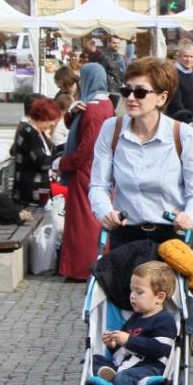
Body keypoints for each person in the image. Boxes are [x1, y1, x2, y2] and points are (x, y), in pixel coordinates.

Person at [90, 57, 193, 248]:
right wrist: (105, 211)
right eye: (126, 90)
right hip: (125, 233)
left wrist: (189, 217)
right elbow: (98, 185)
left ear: (162, 97)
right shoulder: (111, 129)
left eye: (140, 92)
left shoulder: (183, 135)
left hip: (170, 236)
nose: (130, 97)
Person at [94, 260, 179, 385]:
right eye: (131, 290)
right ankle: (108, 374)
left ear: (159, 297)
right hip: (125, 364)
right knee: (94, 358)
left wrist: (128, 340)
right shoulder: (135, 319)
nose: (132, 296)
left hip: (150, 366)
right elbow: (123, 347)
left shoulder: (164, 320)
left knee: (125, 377)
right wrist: (113, 343)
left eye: (139, 292)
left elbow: (160, 349)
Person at [56, 63, 116, 281]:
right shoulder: (106, 102)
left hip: (86, 171)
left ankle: (81, 267)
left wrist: (65, 163)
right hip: (97, 167)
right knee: (91, 218)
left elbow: (85, 146)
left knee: (82, 221)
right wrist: (71, 113)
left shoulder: (92, 108)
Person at [11, 98, 61, 206]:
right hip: (31, 192)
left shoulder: (36, 131)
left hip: (35, 190)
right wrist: (60, 159)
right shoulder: (30, 133)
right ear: (43, 117)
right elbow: (42, 163)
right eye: (51, 120)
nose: (53, 124)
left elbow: (50, 152)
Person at [166, 42, 193, 121]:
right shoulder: (173, 75)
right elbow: (175, 104)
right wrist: (188, 122)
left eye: (191, 56)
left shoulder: (191, 73)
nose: (188, 59)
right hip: (180, 122)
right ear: (179, 57)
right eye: (185, 56)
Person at [102, 35, 126, 108]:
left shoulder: (119, 57)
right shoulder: (104, 57)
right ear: (109, 43)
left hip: (120, 88)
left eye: (118, 43)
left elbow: (123, 72)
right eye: (114, 43)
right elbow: (101, 74)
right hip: (110, 90)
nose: (117, 45)